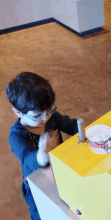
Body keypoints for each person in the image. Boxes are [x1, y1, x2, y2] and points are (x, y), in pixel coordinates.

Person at [6, 72, 78, 220]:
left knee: (66, 208)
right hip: (37, 186)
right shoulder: (16, 136)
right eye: (37, 116)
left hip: (59, 176)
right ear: (18, 112)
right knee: (42, 214)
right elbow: (27, 158)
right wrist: (41, 156)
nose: (45, 118)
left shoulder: (52, 117)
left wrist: (85, 131)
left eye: (49, 111)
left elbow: (71, 125)